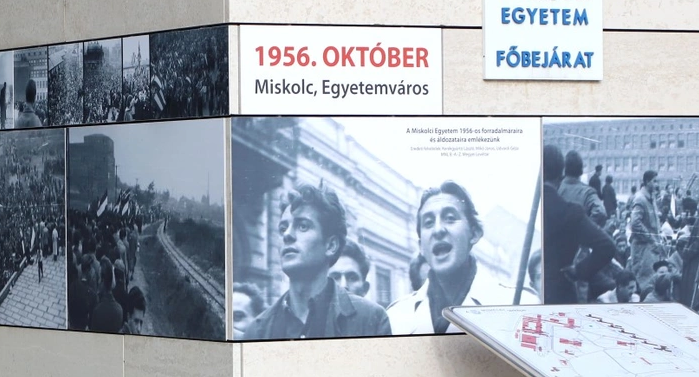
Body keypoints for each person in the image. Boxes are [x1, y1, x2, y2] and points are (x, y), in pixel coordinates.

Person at [242, 184, 390, 339]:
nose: (287, 235)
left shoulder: (371, 319)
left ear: (331, 245)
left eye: (303, 226)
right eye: (283, 228)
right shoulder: (257, 330)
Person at [386, 180, 517, 334]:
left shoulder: (518, 304)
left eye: (450, 218)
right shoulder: (395, 317)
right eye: (428, 222)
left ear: (474, 233)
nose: (438, 230)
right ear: (421, 245)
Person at [539, 145, 617, 304]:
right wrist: (585, 232)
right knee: (580, 293)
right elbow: (601, 213)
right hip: (565, 279)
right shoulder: (584, 195)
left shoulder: (537, 200)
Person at [629, 170, 663, 285]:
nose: (657, 185)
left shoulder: (651, 198)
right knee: (644, 282)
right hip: (642, 250)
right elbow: (635, 223)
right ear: (647, 181)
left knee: (651, 280)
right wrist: (651, 239)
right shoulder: (640, 198)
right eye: (655, 181)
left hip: (650, 249)